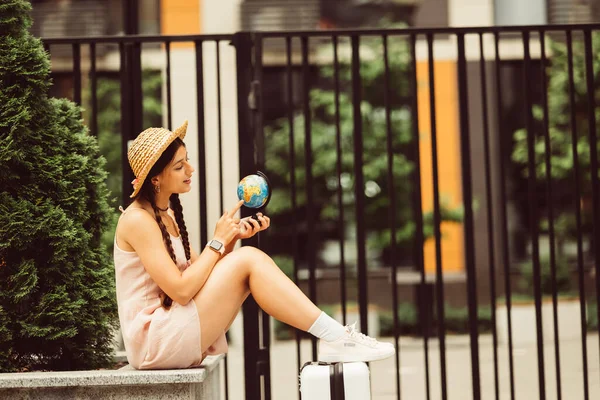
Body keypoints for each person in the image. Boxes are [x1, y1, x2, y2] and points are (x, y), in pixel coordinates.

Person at [114, 121, 395, 369]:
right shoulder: (137, 220)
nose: (190, 169)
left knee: (247, 258)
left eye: (187, 160)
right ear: (155, 179)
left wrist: (231, 240)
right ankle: (336, 337)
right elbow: (182, 290)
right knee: (249, 259)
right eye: (179, 166)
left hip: (171, 326)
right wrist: (216, 242)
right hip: (154, 339)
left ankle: (336, 336)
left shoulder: (166, 214)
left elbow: (199, 278)